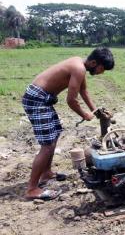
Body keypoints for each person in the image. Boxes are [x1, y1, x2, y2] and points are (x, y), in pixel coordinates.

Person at [22, 47, 114, 200]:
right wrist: (85, 114)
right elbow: (71, 101)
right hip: (37, 100)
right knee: (47, 145)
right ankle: (32, 189)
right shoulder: (78, 68)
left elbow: (84, 91)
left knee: (55, 134)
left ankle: (46, 174)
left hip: (43, 99)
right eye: (101, 69)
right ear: (93, 62)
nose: (101, 73)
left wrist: (95, 110)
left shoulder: (80, 65)